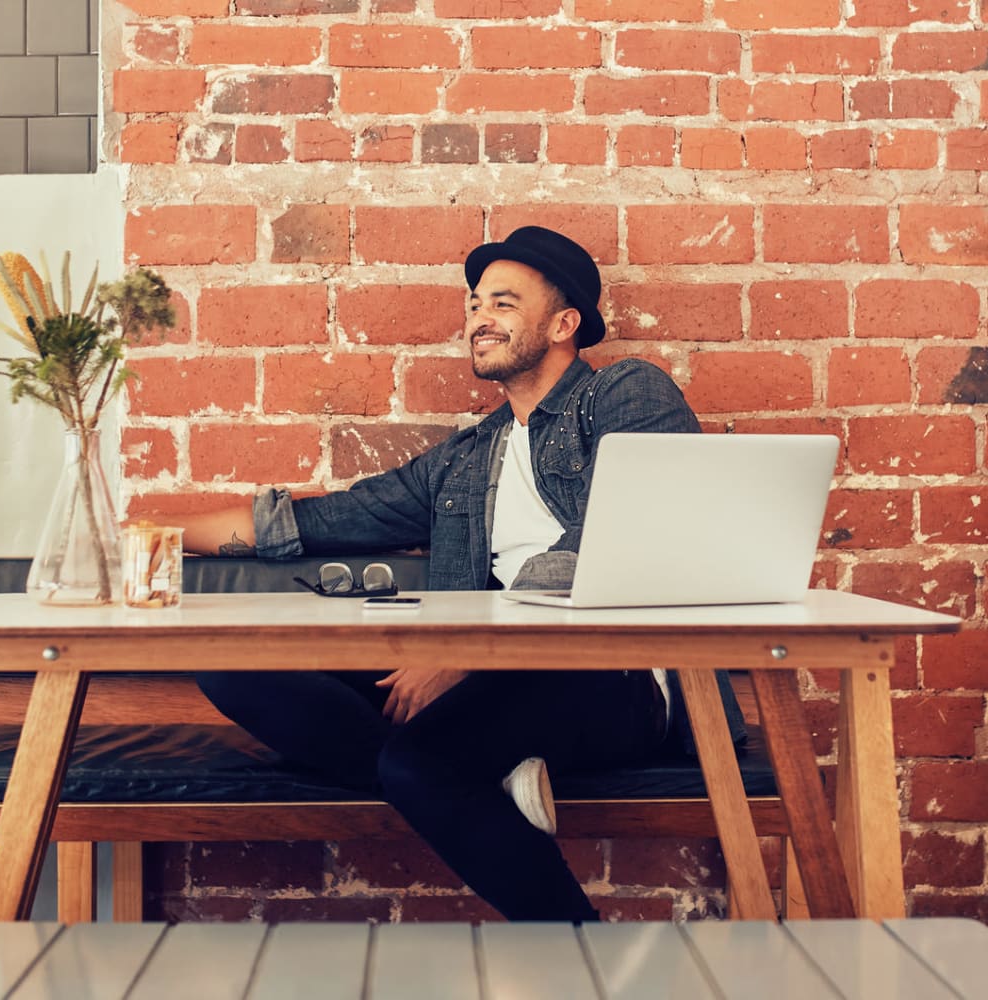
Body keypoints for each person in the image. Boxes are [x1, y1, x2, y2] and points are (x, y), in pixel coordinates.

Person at [175, 226, 745, 922]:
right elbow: (320, 522)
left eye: (503, 303)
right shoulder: (467, 458)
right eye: (475, 303)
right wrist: (146, 537)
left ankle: (582, 953)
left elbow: (616, 534)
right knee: (231, 664)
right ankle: (496, 782)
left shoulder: (625, 394)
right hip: (493, 670)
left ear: (564, 325)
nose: (479, 318)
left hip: (612, 673)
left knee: (421, 766)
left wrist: (467, 654)